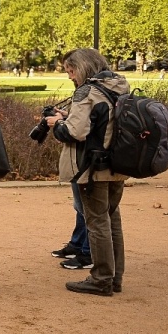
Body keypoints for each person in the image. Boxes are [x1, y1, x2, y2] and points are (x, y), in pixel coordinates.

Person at [45, 48, 130, 296]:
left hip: (92, 167)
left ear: (80, 67)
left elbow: (75, 133)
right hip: (117, 164)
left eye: (70, 71)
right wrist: (69, 116)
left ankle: (101, 278)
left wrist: (56, 123)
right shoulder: (118, 84)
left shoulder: (87, 91)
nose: (69, 76)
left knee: (97, 222)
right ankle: (115, 278)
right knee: (112, 221)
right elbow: (100, 121)